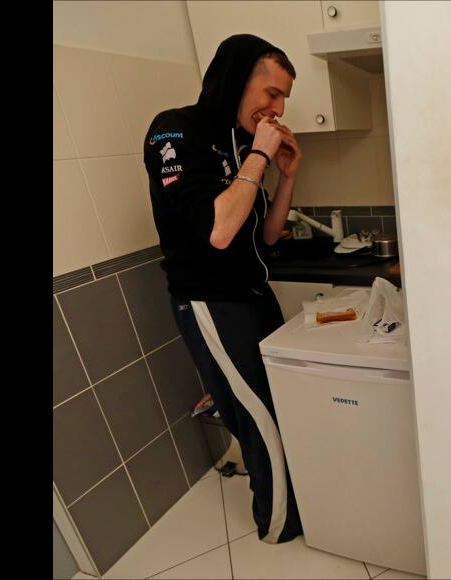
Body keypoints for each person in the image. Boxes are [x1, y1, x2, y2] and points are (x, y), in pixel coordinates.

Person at [143, 33, 303, 544]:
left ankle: (304, 500)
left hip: (255, 294)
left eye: (283, 99)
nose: (276, 108)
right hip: (212, 301)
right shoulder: (175, 131)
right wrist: (258, 154)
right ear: (237, 80)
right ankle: (279, 525)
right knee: (260, 419)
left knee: (284, 407)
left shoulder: (241, 143)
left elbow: (268, 234)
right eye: (271, 93)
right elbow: (218, 231)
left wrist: (289, 176)